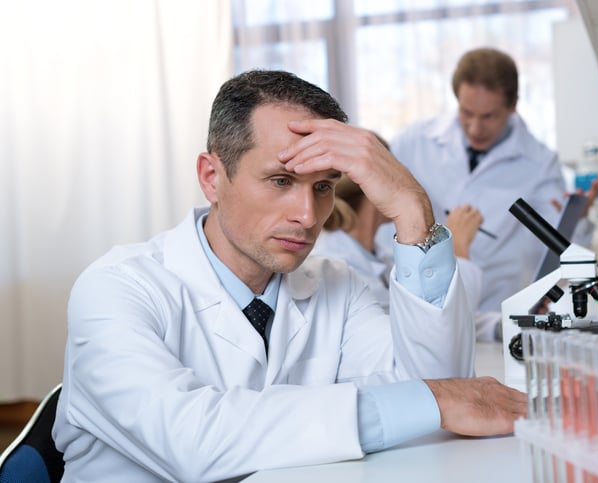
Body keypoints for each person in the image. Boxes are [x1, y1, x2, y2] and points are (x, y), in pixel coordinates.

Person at [52, 69, 527, 481]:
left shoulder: (337, 284)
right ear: (212, 177)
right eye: (281, 181)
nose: (308, 214)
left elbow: (441, 395)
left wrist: (411, 209)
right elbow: (192, 442)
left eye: (323, 186)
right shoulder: (116, 287)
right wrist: (430, 404)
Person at [377, 47, 598, 317]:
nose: (475, 127)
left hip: (494, 311)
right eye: (466, 113)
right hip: (421, 307)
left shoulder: (540, 163)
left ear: (512, 106)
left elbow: (559, 250)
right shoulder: (414, 141)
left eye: (488, 116)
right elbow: (382, 224)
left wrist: (577, 217)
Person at [312, 134, 500, 341]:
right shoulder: (335, 263)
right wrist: (458, 248)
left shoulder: (379, 255)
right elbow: (436, 329)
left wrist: (505, 326)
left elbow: (429, 310)